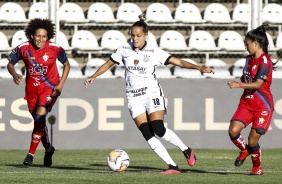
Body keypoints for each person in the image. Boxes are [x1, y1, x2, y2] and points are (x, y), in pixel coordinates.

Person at [84, 14, 214, 174]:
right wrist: (93, 76)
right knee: (147, 132)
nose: (135, 39)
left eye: (138, 35)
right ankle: (173, 166)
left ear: (146, 35)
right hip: (133, 97)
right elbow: (109, 63)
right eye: (132, 35)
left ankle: (186, 149)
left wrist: (199, 68)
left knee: (158, 128)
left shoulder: (154, 51)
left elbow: (178, 62)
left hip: (152, 94)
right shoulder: (124, 49)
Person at [7, 18, 70, 167]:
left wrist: (60, 85)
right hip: (31, 90)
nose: (41, 39)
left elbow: (67, 65)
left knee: (39, 117)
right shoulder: (23, 48)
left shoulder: (55, 49)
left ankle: (30, 155)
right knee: (38, 122)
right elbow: (10, 64)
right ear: (32, 35)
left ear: (48, 37)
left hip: (49, 88)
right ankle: (49, 149)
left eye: (44, 37)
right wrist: (15, 74)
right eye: (38, 36)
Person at [227, 25, 276, 175]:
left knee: (253, 140)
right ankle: (244, 151)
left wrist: (239, 84)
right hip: (246, 103)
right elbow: (247, 77)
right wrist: (242, 80)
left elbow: (258, 84)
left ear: (255, 42)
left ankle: (257, 168)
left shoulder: (264, 62)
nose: (246, 46)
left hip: (263, 106)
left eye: (247, 43)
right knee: (233, 131)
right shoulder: (249, 59)